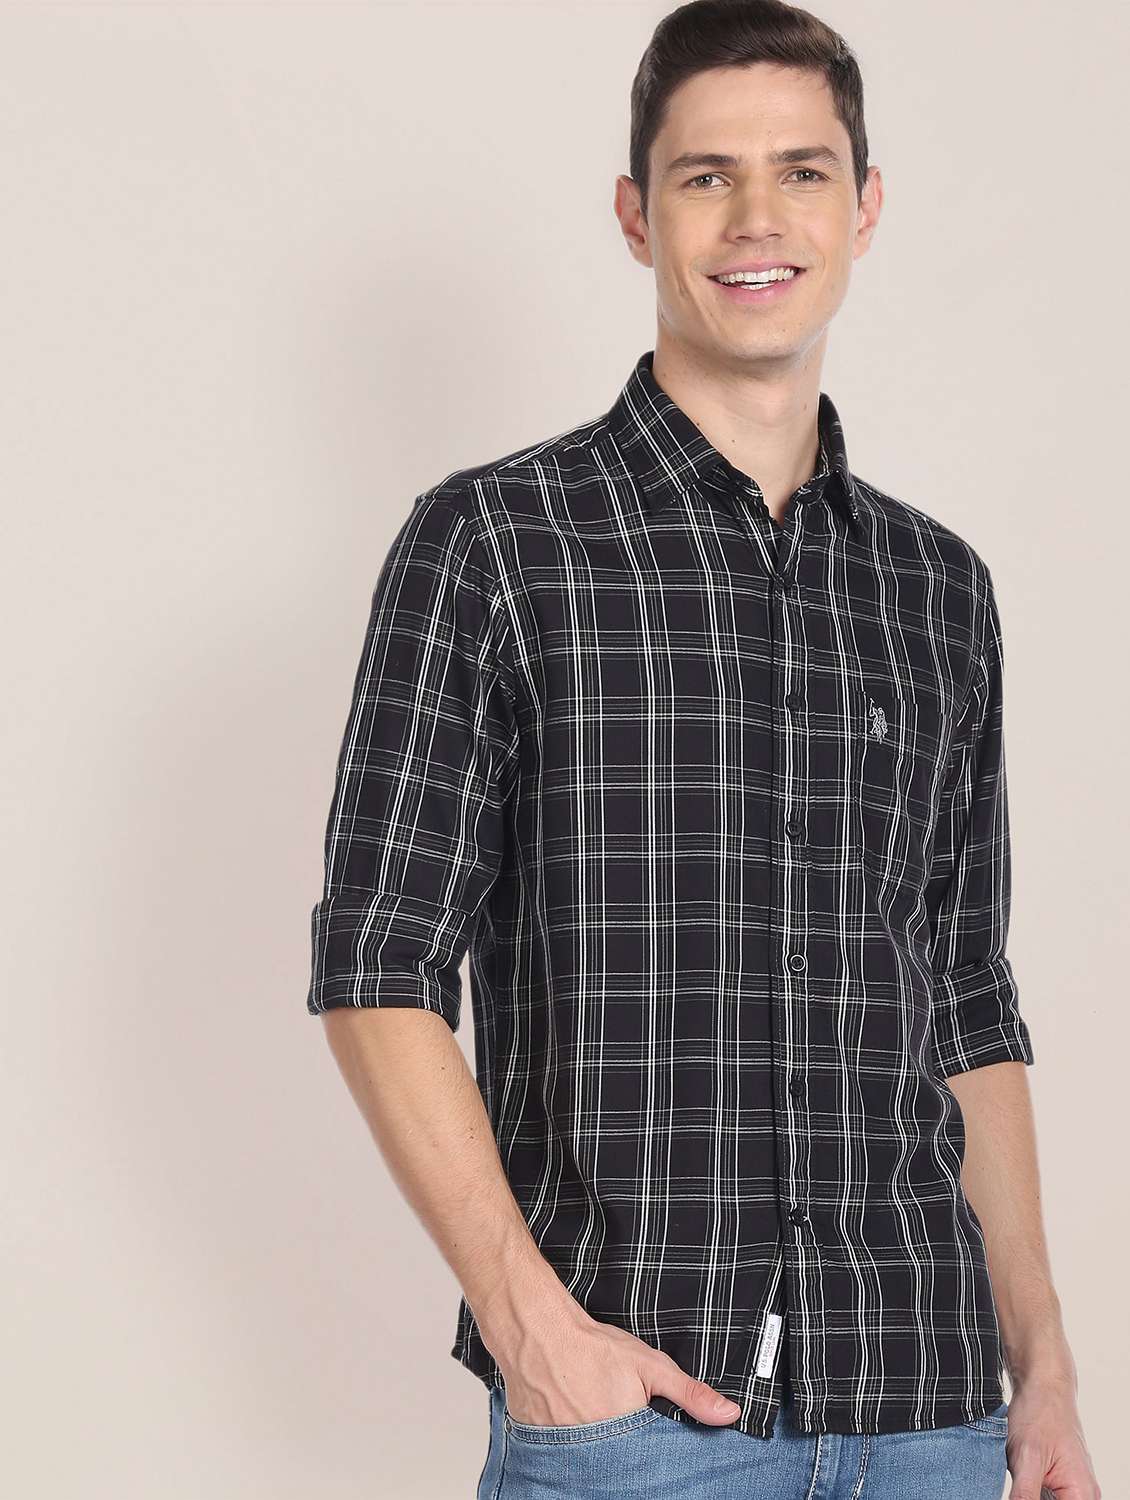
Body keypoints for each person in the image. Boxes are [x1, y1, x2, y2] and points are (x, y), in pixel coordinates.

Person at [305, 2, 1100, 1496]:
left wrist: (1041, 1363)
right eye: (704, 175)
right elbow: (377, 963)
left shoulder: (939, 589)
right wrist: (532, 1330)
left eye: (802, 172)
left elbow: (964, 995)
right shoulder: (496, 543)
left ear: (863, 208)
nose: (756, 219)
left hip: (931, 1412)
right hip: (638, 1422)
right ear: (635, 213)